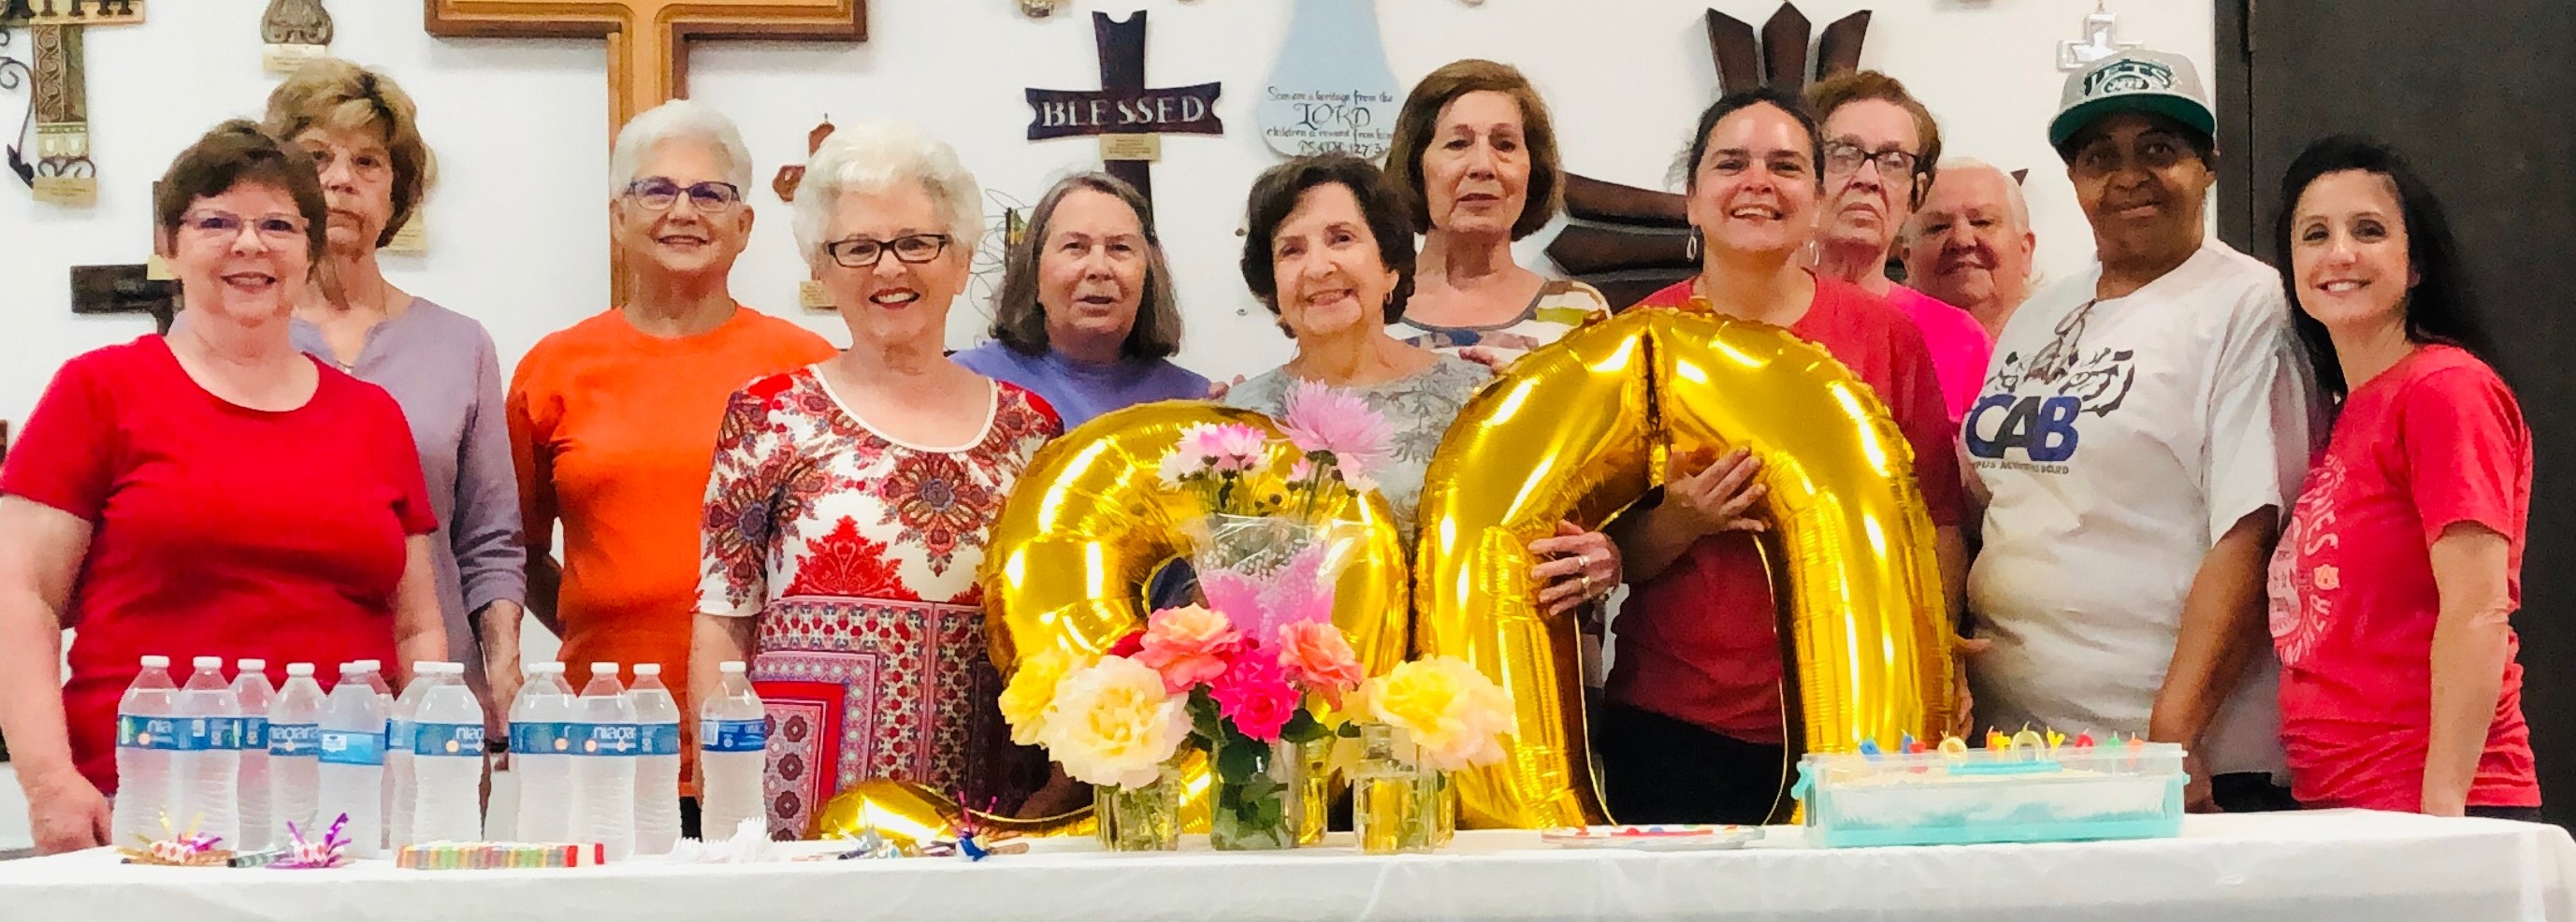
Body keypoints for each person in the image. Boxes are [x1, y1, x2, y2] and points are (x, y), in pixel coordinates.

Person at [0, 122, 444, 854]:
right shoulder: (100, 392)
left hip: (347, 809)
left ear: (308, 250)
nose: (250, 245)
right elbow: (23, 598)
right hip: (145, 804)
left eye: (278, 225)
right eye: (217, 221)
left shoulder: (372, 416)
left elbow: (416, 628)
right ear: (170, 244)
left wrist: (425, 775)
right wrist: (48, 781)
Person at [1965, 50, 2319, 814]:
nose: (2129, 176)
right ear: (2073, 180)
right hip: (2022, 749)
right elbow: (1997, 501)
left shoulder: (2250, 308)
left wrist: (2174, 736)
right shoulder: (2037, 314)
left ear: (2208, 165)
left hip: (2174, 763)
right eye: (2101, 157)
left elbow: (2250, 535)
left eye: (2159, 148)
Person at [1600, 88, 1965, 826]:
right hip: (1677, 720)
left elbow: (1938, 525)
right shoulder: (1636, 343)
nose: (1758, 183)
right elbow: (1610, 558)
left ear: (1817, 199)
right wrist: (1684, 517)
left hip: (1860, 719)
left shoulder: (1885, 337)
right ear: (1693, 200)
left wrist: (1938, 660)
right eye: (1731, 163)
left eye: (1786, 165)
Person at [693, 122, 1066, 838]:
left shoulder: (1029, 429)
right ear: (822, 271)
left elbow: (1053, 628)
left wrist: (1052, 795)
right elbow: (722, 618)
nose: (888, 268)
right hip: (793, 817)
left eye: (916, 243)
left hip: (988, 818)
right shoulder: (767, 414)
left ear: (960, 262)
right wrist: (726, 809)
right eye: (857, 248)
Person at [508, 99, 837, 830]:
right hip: (605, 731)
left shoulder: (807, 370)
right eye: (656, 190)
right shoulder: (557, 368)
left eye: (710, 193)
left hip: (766, 736)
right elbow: (517, 554)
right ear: (618, 217)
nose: (683, 211)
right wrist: (607, 625)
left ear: (745, 226)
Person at [2266, 136, 2538, 819]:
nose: (2339, 254)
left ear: (2415, 263)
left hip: (2429, 806)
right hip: (2342, 800)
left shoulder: (2445, 391)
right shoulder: (2349, 410)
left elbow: (2477, 609)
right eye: (2314, 235)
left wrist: (2441, 812)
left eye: (2369, 231)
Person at [264, 60, 525, 727]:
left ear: (396, 193)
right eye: (316, 157)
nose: (340, 179)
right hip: (272, 697)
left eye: (368, 162)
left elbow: (489, 539)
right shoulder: (232, 340)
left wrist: (502, 666)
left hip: (434, 702)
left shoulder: (459, 345)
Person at [1378, 58, 1621, 630]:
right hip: (1391, 637)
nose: (1483, 166)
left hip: (1543, 636)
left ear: (1531, 172)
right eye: (1457, 144)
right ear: (1417, 166)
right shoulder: (1369, 307)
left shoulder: (1581, 315)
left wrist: (1611, 551)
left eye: (1506, 145)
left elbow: (1617, 489)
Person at [1223, 152, 1492, 546]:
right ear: (1272, 285)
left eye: (1342, 239)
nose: (1318, 268)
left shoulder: (1472, 397)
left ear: (1390, 267)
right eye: (1291, 250)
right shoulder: (1241, 414)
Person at [1804, 71, 1991, 423]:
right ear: (1806, 176)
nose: (1868, 179)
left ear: (1915, 194)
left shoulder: (1960, 341)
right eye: (1844, 154)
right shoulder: (1758, 315)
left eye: (1893, 162)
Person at [951, 172, 1205, 430]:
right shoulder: (962, 383)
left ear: (1149, 276)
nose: (1099, 268)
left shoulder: (1196, 405)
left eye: (1120, 248)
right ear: (1034, 271)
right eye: (1076, 246)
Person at [1903, 158, 2038, 339]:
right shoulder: (1884, 357)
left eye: (1982, 222)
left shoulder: (2071, 349)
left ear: (2025, 250)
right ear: (1908, 260)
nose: (1962, 240)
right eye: (1939, 226)